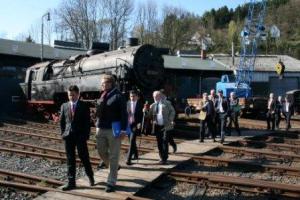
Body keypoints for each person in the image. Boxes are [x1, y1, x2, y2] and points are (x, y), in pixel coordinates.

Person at [95, 74, 127, 193]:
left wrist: (124, 130)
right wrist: (96, 124)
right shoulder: (103, 94)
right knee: (101, 151)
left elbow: (124, 114)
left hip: (114, 129)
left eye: (105, 83)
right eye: (102, 83)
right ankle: (114, 167)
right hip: (101, 128)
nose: (103, 85)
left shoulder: (118, 96)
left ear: (111, 83)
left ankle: (111, 181)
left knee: (114, 155)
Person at [59, 85, 94, 191]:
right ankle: (71, 182)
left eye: (73, 95)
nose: (71, 97)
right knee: (70, 159)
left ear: (78, 95)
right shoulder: (64, 106)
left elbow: (87, 123)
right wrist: (63, 133)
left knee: (84, 157)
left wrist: (85, 136)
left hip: (80, 136)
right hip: (68, 136)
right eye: (70, 95)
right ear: (67, 95)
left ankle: (90, 176)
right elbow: (62, 122)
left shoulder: (84, 106)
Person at [146, 91, 175, 165]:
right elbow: (149, 116)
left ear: (160, 96)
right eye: (154, 96)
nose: (155, 98)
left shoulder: (167, 103)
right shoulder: (153, 105)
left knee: (165, 141)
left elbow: (172, 111)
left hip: (166, 125)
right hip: (157, 126)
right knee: (159, 142)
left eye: (156, 96)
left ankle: (164, 158)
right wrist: (145, 111)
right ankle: (161, 156)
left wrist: (170, 119)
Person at [126, 90, 143, 165]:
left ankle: (128, 159)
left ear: (137, 97)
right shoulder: (127, 103)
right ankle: (136, 155)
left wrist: (140, 123)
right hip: (129, 124)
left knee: (132, 140)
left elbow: (143, 116)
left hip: (136, 124)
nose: (132, 98)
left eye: (133, 96)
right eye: (131, 96)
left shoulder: (140, 104)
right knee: (131, 141)